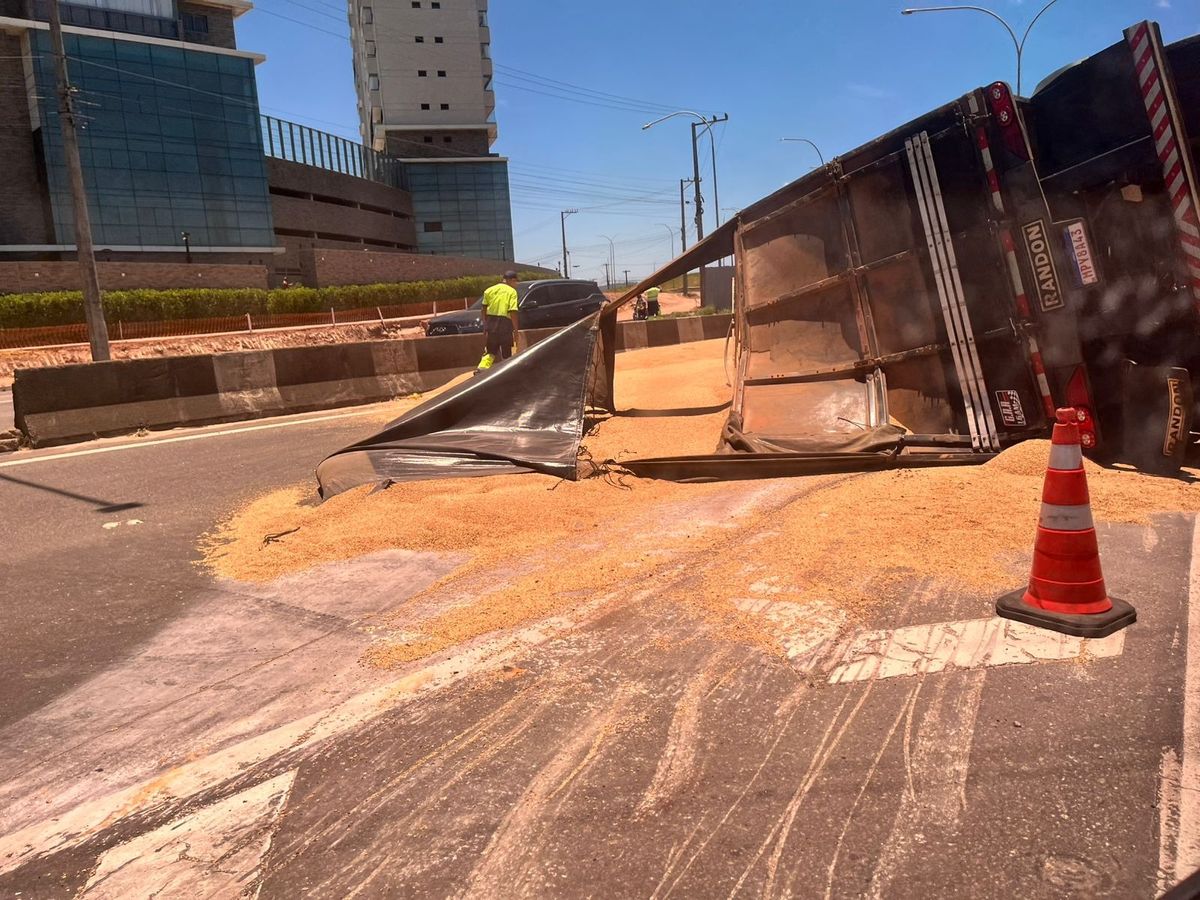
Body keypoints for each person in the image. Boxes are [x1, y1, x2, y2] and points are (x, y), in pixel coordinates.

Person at [477, 270, 520, 372]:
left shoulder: (489, 290)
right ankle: (507, 372)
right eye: (515, 282)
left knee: (490, 350)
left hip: (491, 323)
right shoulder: (512, 292)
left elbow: (483, 309)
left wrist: (485, 325)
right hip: (505, 324)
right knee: (506, 351)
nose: (516, 284)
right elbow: (513, 312)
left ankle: (481, 369)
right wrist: (516, 330)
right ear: (512, 280)